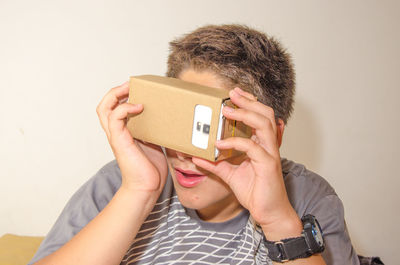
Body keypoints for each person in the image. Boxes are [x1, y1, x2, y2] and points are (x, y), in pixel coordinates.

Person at [29, 24, 359, 265]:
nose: (185, 155)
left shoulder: (307, 199)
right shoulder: (120, 182)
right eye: (180, 122)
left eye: (210, 129)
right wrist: (139, 191)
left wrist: (277, 220)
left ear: (272, 135)